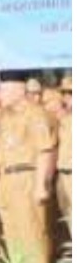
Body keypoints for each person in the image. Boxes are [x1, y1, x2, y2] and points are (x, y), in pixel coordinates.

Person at [0, 73, 56, 263]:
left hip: (27, 175)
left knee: (31, 230)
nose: (0, 95)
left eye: (4, 90)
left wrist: (41, 184)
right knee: (12, 231)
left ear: (18, 90)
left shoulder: (35, 114)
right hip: (7, 177)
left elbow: (45, 151)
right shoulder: (4, 116)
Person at [57, 77, 72, 237]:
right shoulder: (63, 119)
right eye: (65, 93)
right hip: (63, 174)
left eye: (71, 92)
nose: (67, 96)